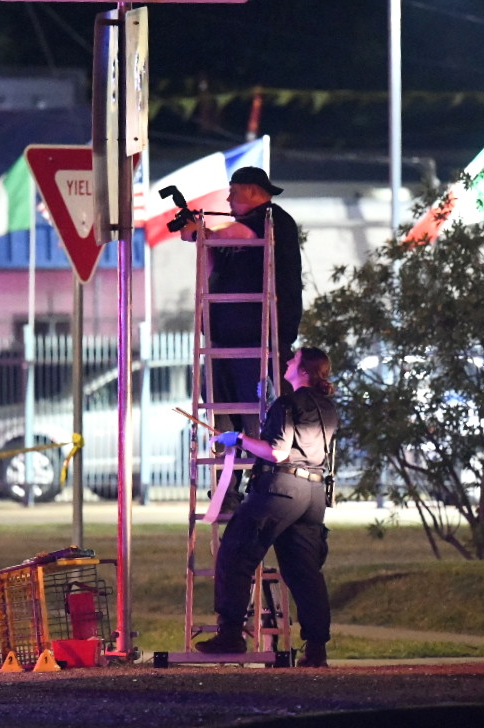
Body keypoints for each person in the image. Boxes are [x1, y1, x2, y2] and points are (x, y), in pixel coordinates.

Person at [194, 347, 338, 668]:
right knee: (304, 572)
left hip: (280, 489)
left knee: (235, 552)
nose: (287, 362)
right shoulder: (327, 407)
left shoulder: (288, 404)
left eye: (293, 359)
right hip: (313, 493)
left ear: (304, 371)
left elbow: (277, 452)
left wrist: (239, 439)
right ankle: (316, 648)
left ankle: (231, 634)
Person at [180, 166, 303, 509]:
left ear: (251, 191)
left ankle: (262, 486)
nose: (229, 200)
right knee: (221, 415)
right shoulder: (232, 230)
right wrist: (201, 238)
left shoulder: (273, 219)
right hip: (222, 340)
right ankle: (226, 489)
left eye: (233, 193)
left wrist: (201, 230)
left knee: (257, 414)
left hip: (260, 338)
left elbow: (242, 236)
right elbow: (210, 265)